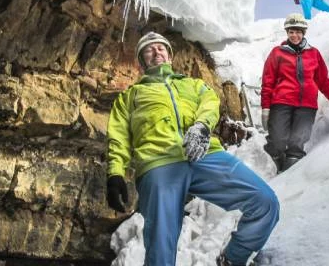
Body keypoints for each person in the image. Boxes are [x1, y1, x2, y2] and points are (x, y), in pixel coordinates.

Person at [105, 31, 279, 266]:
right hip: (159, 163)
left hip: (205, 155)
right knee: (160, 245)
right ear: (142, 60)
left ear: (169, 56)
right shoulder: (130, 96)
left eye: (161, 48)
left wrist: (201, 127)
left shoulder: (194, 85)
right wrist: (115, 173)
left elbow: (210, 104)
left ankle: (232, 259)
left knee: (265, 201)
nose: (156, 51)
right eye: (149, 49)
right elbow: (118, 136)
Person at [260, 14, 329, 173]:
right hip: (281, 102)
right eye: (291, 31)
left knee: (297, 142)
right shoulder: (277, 53)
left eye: (298, 31)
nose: (294, 35)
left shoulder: (314, 53)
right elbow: (268, 81)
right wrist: (265, 108)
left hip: (307, 105)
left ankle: (288, 177)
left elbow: (323, 81)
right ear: (287, 32)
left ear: (303, 32)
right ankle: (274, 166)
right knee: (277, 140)